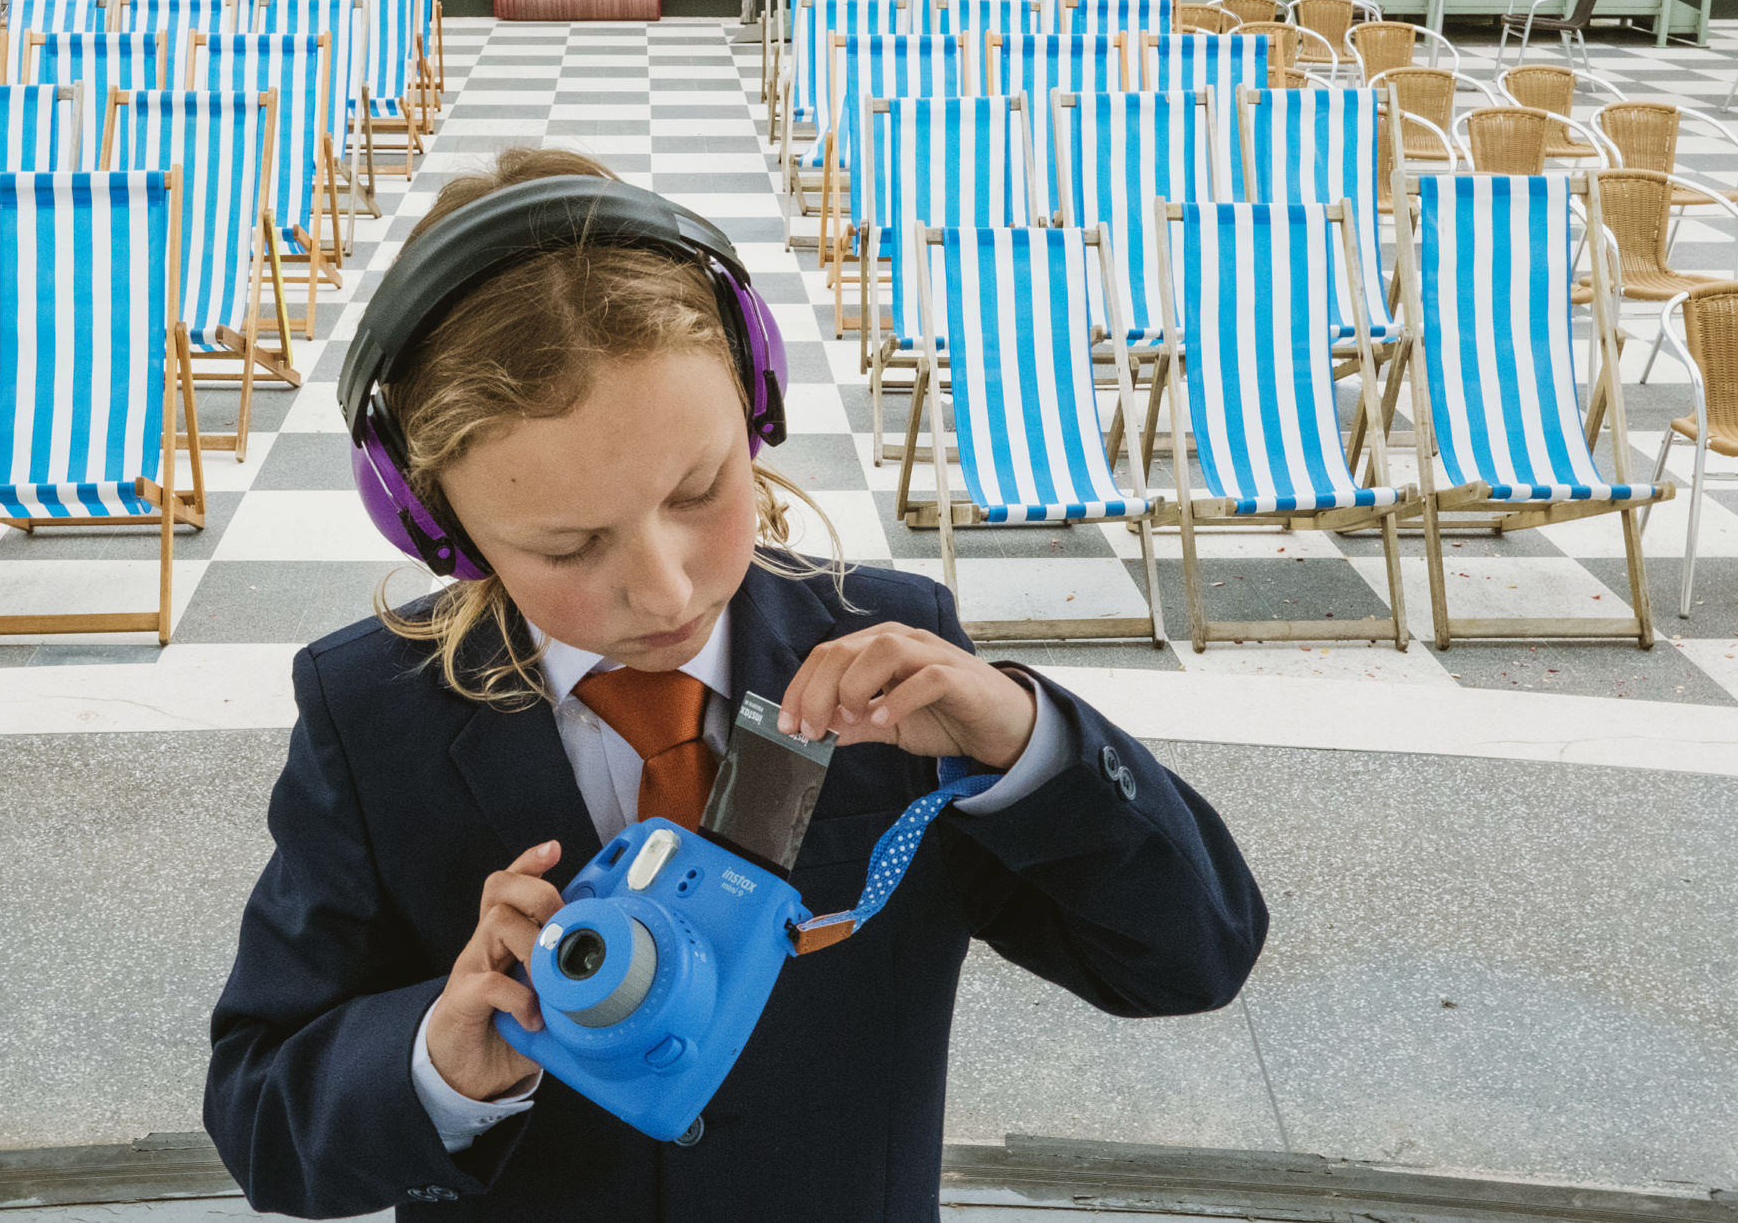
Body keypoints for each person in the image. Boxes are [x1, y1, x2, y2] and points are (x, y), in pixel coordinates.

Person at [203, 150, 1269, 1222]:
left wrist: (1026, 751)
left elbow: (1190, 959)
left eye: (701, 488)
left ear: (755, 399)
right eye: (567, 547)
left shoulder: (896, 650)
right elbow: (261, 1121)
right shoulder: (370, 713)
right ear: (436, 527)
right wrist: (435, 1059)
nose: (663, 590)